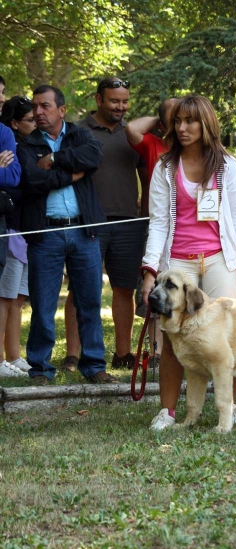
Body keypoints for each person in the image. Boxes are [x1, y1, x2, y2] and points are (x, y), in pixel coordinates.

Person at [141, 94, 236, 430]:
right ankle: (167, 412)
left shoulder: (226, 165)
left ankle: (231, 409)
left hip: (219, 261)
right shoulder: (165, 167)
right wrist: (150, 270)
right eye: (178, 121)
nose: (182, 128)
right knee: (173, 336)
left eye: (190, 121)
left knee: (227, 339)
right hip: (177, 264)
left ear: (206, 124)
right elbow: (157, 223)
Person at [17, 84, 117, 385]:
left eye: (45, 106)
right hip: (45, 232)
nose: (38, 112)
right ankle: (40, 369)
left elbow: (92, 158)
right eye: (35, 106)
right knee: (44, 305)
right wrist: (69, 173)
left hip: (82, 230)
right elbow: (32, 180)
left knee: (90, 303)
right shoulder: (26, 144)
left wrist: (53, 161)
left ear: (61, 110)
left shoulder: (79, 135)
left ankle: (94, 366)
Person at [62, 77, 149, 372]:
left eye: (125, 101)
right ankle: (73, 355)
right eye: (114, 101)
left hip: (128, 222)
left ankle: (123, 354)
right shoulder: (77, 131)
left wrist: (146, 214)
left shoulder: (133, 134)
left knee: (124, 288)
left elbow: (147, 177)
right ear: (98, 100)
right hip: (88, 222)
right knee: (81, 289)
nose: (120, 107)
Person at [126, 98, 177, 367]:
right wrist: (160, 120)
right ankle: (155, 352)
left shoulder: (196, 150)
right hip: (155, 225)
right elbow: (132, 128)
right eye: (176, 116)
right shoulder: (154, 144)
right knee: (155, 285)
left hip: (187, 229)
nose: (182, 120)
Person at [0, 96, 36, 376]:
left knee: (19, 297)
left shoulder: (29, 147)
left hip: (28, 231)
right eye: (30, 120)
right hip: (10, 229)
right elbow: (13, 185)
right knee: (5, 296)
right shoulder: (10, 143)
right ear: (14, 123)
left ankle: (13, 356)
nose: (36, 124)